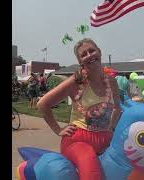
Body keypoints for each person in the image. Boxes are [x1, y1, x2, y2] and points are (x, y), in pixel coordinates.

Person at [37, 38, 122, 180]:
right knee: (90, 167)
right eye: (84, 54)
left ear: (99, 52)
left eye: (92, 50)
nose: (89, 55)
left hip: (105, 140)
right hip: (78, 142)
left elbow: (117, 108)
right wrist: (58, 130)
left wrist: (111, 128)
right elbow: (42, 104)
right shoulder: (76, 82)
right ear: (80, 61)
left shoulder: (111, 81)